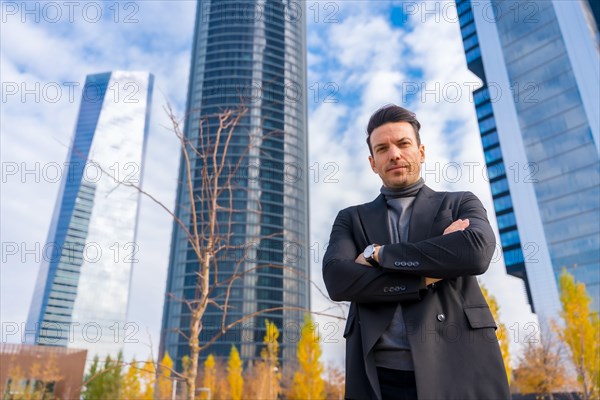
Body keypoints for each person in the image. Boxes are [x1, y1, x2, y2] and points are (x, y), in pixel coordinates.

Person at [323, 105, 510, 400]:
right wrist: (429, 273)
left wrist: (379, 255)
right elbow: (337, 280)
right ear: (373, 162)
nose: (394, 154)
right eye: (382, 148)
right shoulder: (351, 218)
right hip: (378, 376)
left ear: (421, 152)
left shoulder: (460, 202)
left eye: (403, 143)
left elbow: (475, 253)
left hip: (460, 363)